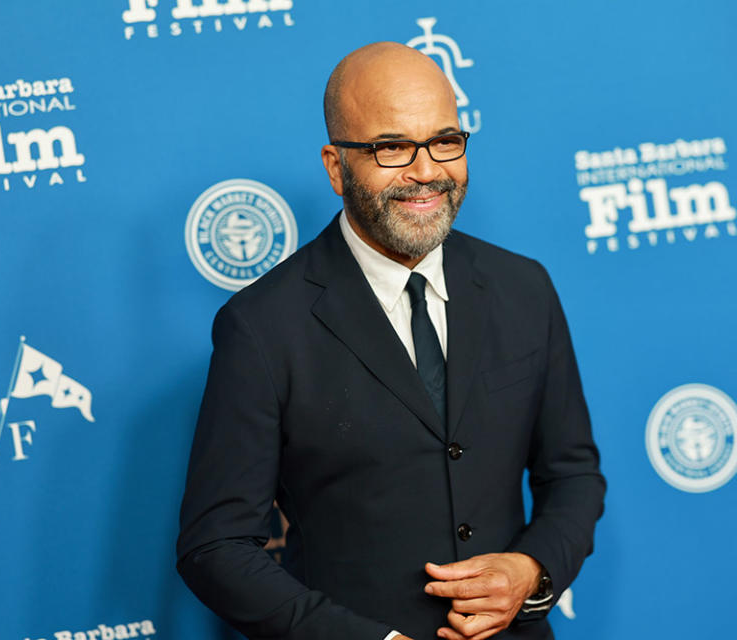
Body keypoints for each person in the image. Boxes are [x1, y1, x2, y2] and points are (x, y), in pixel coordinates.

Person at [176, 42, 605, 640]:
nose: (427, 170)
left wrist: (531, 571)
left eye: (444, 141)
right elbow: (216, 547)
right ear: (335, 167)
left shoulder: (523, 286)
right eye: (391, 147)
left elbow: (574, 474)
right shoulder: (261, 326)